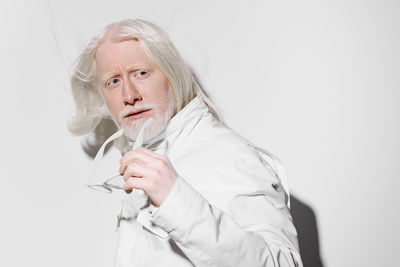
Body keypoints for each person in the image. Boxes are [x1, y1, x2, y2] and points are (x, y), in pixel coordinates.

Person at [69, 19, 303, 267]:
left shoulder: (229, 156)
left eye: (141, 73)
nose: (129, 96)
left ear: (172, 74)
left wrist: (174, 198)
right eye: (113, 81)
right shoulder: (150, 155)